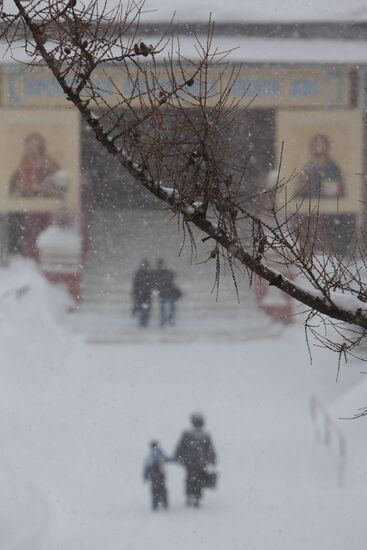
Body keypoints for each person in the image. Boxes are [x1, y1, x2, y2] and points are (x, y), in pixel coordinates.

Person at [295, 133, 351, 256]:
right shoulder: (308, 167)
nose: (318, 147)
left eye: (321, 144)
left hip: (330, 215)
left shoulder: (332, 167)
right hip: (310, 213)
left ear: (326, 147)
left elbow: (336, 191)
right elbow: (299, 192)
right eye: (316, 144)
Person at [174, 413, 217, 508]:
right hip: (201, 462)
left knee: (189, 478)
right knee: (199, 479)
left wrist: (178, 457)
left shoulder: (187, 434)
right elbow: (210, 449)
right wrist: (212, 459)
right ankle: (197, 496)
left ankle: (189, 495)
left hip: (189, 462)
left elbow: (181, 447)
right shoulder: (205, 435)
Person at [154, 258, 182, 328]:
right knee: (169, 309)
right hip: (168, 293)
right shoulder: (165, 272)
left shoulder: (158, 273)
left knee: (164, 310)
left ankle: (164, 323)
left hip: (166, 294)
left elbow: (172, 276)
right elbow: (173, 276)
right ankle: (168, 322)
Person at [143, 441, 170, 510]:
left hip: (153, 475)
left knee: (154, 489)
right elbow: (167, 459)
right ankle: (165, 503)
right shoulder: (160, 453)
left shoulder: (150, 455)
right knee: (162, 488)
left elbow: (146, 467)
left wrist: (145, 476)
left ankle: (155, 504)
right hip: (161, 474)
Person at [131, 259, 154, 328]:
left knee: (145, 311)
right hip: (141, 296)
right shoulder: (140, 274)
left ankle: (144, 325)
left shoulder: (147, 274)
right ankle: (142, 325)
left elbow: (151, 285)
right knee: (142, 311)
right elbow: (135, 285)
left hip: (145, 296)